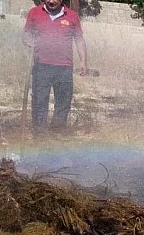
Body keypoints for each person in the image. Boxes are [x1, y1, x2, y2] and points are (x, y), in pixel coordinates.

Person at [23, 0, 88, 135]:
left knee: (63, 103)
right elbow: (26, 34)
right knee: (39, 102)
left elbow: (79, 39)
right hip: (41, 66)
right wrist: (28, 42)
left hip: (64, 67)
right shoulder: (34, 13)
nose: (51, 1)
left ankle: (57, 132)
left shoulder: (72, 16)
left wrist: (83, 62)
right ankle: (39, 134)